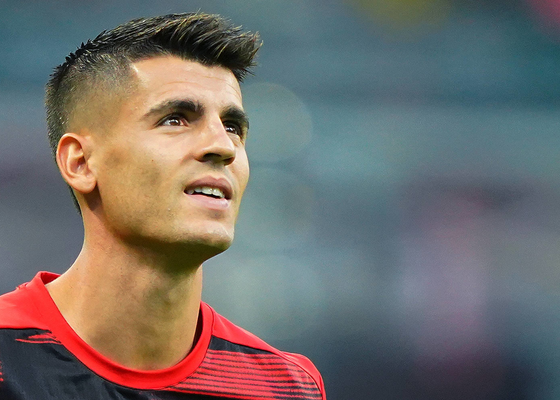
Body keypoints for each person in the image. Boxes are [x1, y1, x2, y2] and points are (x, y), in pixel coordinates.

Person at [0, 12, 325, 400]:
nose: (223, 146)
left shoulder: (285, 386)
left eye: (232, 127)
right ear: (81, 162)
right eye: (176, 119)